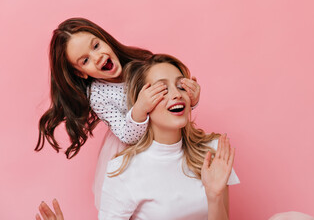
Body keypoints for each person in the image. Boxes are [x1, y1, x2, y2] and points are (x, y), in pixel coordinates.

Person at [35, 18, 201, 208]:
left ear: (105, 39)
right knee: (139, 201)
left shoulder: (140, 63)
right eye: (86, 60)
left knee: (173, 194)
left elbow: (171, 101)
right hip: (131, 149)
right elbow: (126, 135)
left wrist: (190, 98)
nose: (97, 57)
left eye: (96, 45)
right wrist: (140, 107)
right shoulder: (98, 95)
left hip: (161, 140)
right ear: (81, 73)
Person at [99, 54, 240, 219]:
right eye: (162, 90)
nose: (176, 95)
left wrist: (215, 196)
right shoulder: (123, 170)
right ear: (141, 104)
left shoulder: (213, 151)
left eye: (181, 86)